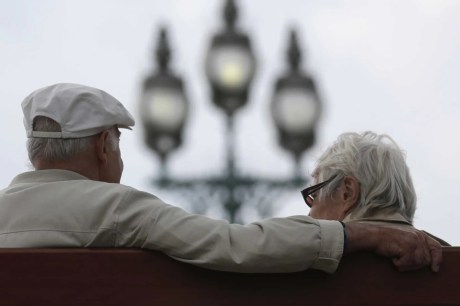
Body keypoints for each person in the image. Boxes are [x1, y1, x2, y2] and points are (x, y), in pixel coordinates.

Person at [0, 83, 441, 274]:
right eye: (118, 139)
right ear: (103, 145)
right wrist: (360, 236)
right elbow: (235, 247)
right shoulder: (119, 210)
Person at [303, 131, 449, 246]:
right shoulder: (447, 258)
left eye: (314, 196)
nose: (309, 214)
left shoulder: (312, 264)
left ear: (347, 193)